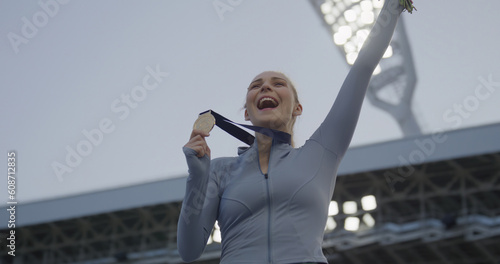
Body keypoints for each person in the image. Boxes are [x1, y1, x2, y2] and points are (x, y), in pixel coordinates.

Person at [178, 0, 407, 263]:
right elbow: (189, 250)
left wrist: (393, 6)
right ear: (246, 113)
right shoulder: (218, 170)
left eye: (278, 84)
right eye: (256, 85)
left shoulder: (321, 152)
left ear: (297, 108)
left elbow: (362, 69)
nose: (266, 88)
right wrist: (197, 177)